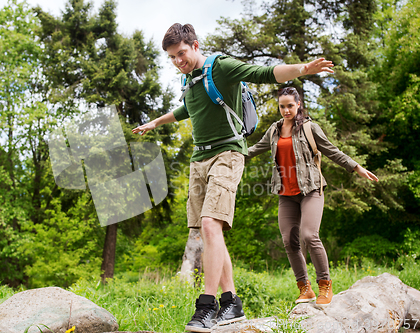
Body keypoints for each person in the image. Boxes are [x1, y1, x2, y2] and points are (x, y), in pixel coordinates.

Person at [132, 23, 334, 332]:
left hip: (227, 153)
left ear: (195, 45)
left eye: (181, 54)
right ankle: (231, 303)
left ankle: (206, 305)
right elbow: (188, 108)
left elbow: (263, 73)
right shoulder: (190, 79)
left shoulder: (221, 67)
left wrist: (304, 69)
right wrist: (156, 122)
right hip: (199, 158)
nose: (178, 61)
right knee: (207, 230)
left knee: (212, 224)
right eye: (172, 57)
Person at [247, 87, 379, 308]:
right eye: (282, 106)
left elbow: (332, 150)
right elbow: (254, 149)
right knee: (289, 240)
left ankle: (325, 284)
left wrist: (356, 167)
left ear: (298, 104)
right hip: (286, 194)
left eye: (290, 105)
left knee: (309, 235)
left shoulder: (309, 128)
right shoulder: (274, 130)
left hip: (311, 190)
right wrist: (231, 154)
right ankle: (304, 288)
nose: (286, 110)